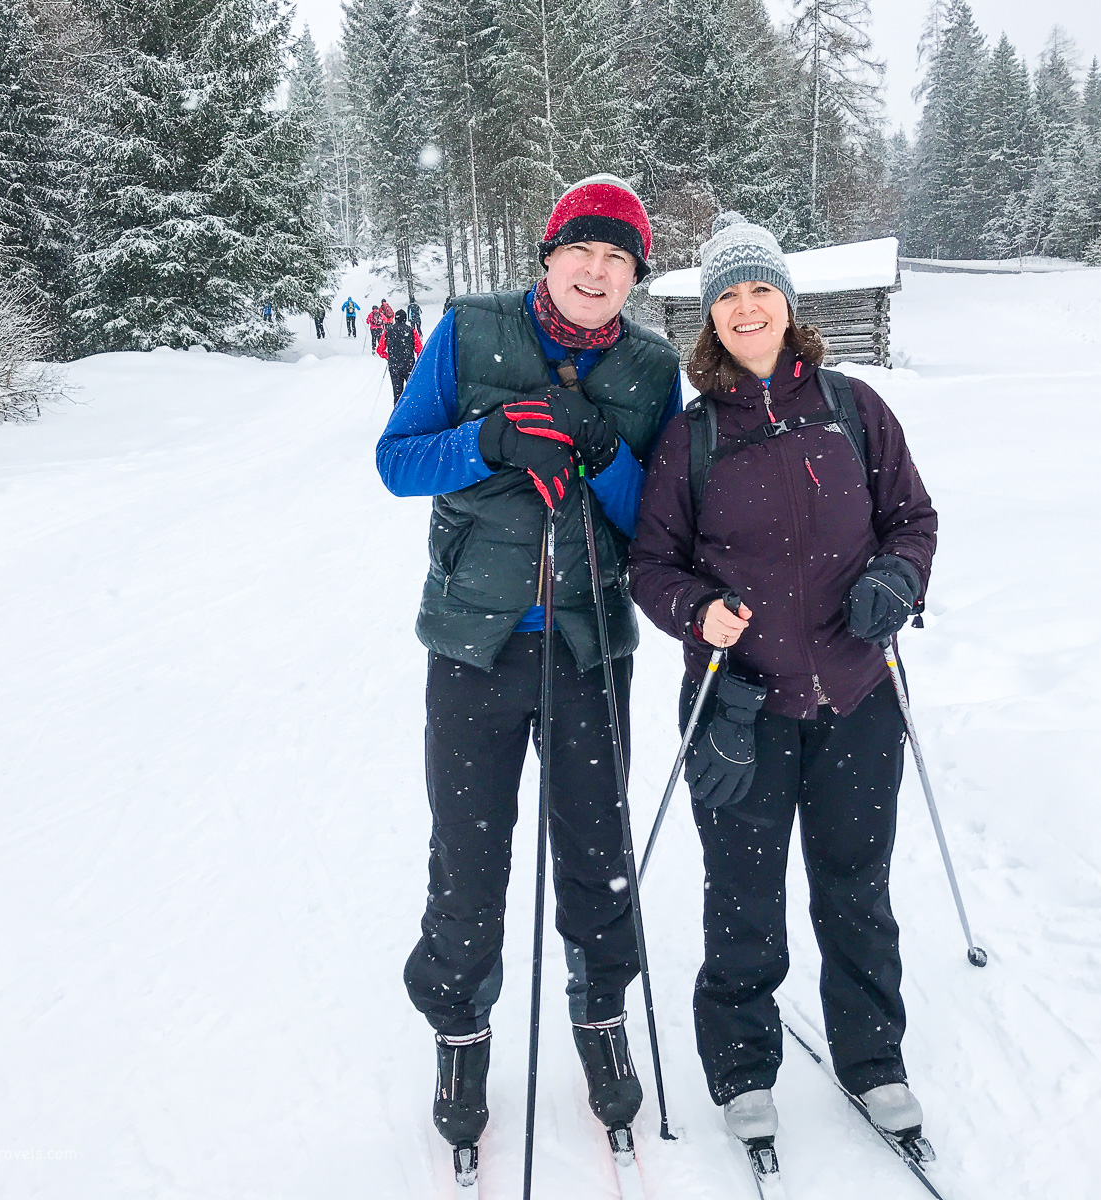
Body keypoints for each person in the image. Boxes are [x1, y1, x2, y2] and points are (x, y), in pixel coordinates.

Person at [375, 175, 683, 1155]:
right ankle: (460, 1027)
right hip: (475, 646)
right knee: (469, 858)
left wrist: (606, 460)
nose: (595, 273)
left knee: (597, 849)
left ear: (633, 276)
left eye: (617, 260)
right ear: (547, 256)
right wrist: (487, 439)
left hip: (592, 647)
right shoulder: (468, 334)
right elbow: (397, 461)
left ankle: (599, 1016)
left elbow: (659, 524)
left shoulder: (649, 370)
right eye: (579, 252)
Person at [628, 213, 939, 1150]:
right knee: (744, 894)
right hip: (742, 710)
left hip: (857, 696)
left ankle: (873, 1059)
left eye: (760, 288)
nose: (747, 306)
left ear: (788, 303)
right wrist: (695, 612)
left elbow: (913, 520)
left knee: (855, 887)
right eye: (728, 294)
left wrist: (896, 580)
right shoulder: (690, 440)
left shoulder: (852, 410)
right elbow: (652, 564)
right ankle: (741, 1065)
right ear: (711, 319)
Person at [376, 309, 423, 405]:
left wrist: (388, 356)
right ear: (405, 319)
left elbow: (380, 350)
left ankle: (398, 415)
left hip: (394, 366)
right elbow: (419, 349)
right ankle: (412, 412)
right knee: (412, 392)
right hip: (409, 364)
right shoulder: (411, 330)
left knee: (397, 393)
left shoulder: (388, 331)